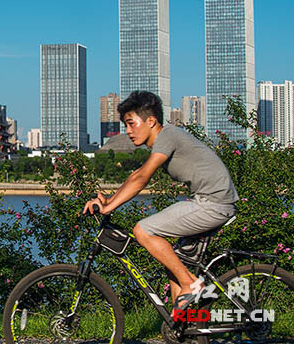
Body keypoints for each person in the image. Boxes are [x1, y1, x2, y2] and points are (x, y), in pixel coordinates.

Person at [82, 91, 238, 314]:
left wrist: (108, 207)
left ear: (151, 121)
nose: (127, 131)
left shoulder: (167, 137)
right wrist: (110, 199)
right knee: (173, 261)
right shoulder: (164, 141)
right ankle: (181, 324)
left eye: (131, 124)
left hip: (213, 204)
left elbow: (142, 178)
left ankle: (192, 285)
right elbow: (136, 174)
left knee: (143, 230)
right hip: (207, 201)